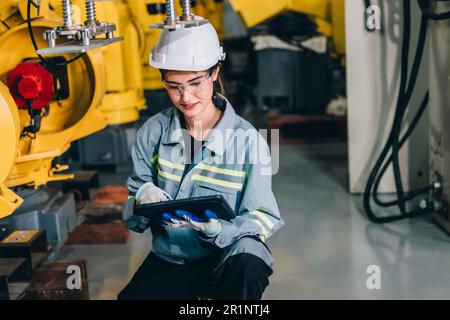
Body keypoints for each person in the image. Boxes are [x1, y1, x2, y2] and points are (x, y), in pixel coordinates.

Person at [118, 17, 284, 300]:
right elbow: (135, 213)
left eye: (195, 83)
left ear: (215, 72)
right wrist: (142, 196)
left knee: (250, 261)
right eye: (174, 86)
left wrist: (220, 230)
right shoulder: (152, 132)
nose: (185, 97)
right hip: (171, 258)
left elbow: (264, 218)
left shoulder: (248, 141)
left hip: (222, 258)